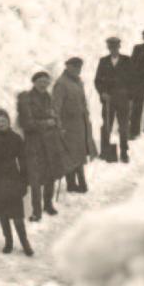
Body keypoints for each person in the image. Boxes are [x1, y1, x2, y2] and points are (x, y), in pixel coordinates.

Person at [0, 110, 33, 256]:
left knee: (17, 216)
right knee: (2, 215)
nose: (1, 124)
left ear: (8, 121)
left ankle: (25, 242)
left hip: (12, 181)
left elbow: (23, 162)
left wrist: (24, 182)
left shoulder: (16, 139)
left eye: (3, 120)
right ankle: (8, 242)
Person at [17, 72, 66, 221]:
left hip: (50, 143)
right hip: (34, 144)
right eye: (40, 81)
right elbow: (26, 123)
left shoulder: (48, 98)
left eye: (46, 82)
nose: (43, 84)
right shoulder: (26, 98)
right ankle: (36, 211)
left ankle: (48, 205)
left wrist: (57, 122)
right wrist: (46, 122)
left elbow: (55, 117)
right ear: (34, 82)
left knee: (50, 174)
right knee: (36, 178)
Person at [52, 57, 97, 193]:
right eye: (75, 67)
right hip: (68, 127)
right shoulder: (61, 84)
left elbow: (82, 102)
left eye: (79, 68)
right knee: (70, 155)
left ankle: (79, 183)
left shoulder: (78, 82)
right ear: (68, 67)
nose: (78, 70)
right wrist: (59, 127)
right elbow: (56, 108)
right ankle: (74, 184)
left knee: (80, 154)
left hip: (80, 125)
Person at [94, 37, 133, 164]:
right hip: (108, 100)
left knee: (123, 127)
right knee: (107, 126)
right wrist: (102, 93)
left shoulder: (127, 60)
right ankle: (105, 151)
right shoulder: (103, 61)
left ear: (119, 47)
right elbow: (98, 80)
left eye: (115, 47)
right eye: (111, 47)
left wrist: (130, 97)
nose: (113, 49)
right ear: (108, 48)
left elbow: (134, 80)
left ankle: (124, 153)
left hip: (123, 100)